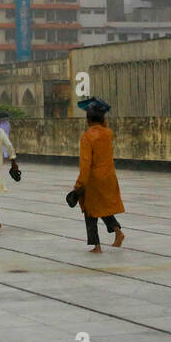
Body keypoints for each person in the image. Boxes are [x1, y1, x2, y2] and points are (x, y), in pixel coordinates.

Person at [73, 102, 124, 253]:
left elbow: (86, 163)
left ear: (88, 120)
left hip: (93, 179)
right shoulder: (108, 133)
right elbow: (105, 126)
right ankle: (117, 231)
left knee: (90, 211)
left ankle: (97, 245)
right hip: (108, 176)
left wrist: (80, 183)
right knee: (103, 207)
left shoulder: (87, 137)